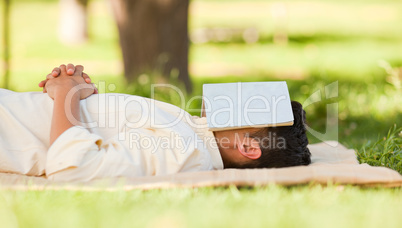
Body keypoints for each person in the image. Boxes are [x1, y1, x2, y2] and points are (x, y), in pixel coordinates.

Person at [0, 64, 311, 182]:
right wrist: (85, 97)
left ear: (247, 147)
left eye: (250, 110)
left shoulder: (185, 152)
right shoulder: (192, 132)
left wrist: (67, 95)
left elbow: (72, 168)